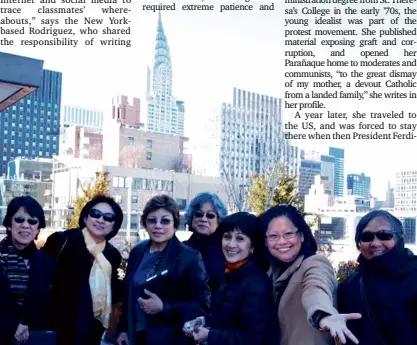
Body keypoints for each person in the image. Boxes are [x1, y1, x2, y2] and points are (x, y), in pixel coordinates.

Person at [259, 204, 360, 345]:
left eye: (288, 234)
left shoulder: (315, 264)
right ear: (265, 241)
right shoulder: (271, 271)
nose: (282, 241)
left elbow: (316, 289)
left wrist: (322, 315)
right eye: (273, 236)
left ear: (301, 236)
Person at [117, 194, 211, 345]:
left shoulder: (189, 257)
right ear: (145, 223)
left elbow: (201, 308)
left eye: (165, 221)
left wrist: (164, 308)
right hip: (134, 336)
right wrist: (123, 329)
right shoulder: (138, 251)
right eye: (152, 220)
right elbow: (128, 294)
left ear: (175, 224)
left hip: (169, 339)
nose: (158, 226)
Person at [42, 195, 124, 345]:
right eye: (95, 214)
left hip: (91, 333)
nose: (100, 220)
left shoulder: (111, 255)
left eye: (108, 217)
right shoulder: (62, 241)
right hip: (57, 329)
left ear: (114, 226)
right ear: (86, 218)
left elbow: (116, 291)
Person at [184, 212, 274, 345]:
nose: (231, 245)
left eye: (240, 239)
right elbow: (227, 318)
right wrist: (202, 321)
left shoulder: (256, 283)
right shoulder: (230, 272)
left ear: (253, 246)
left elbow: (254, 338)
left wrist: (210, 335)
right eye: (227, 237)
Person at [338, 210, 417, 345]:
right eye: (367, 237)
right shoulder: (350, 286)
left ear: (399, 238)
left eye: (384, 235)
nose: (375, 243)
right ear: (358, 243)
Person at [0, 196, 55, 345]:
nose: (26, 225)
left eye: (32, 221)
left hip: (35, 337)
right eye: (19, 219)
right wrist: (11, 326)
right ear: (9, 224)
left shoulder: (47, 263)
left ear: (38, 228)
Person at [184, 192, 228, 300]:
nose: (203, 219)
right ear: (192, 217)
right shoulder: (180, 250)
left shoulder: (228, 251)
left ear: (218, 220)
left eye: (210, 215)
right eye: (198, 214)